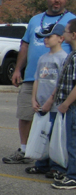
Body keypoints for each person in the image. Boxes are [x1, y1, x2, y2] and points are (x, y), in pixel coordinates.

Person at [3, 0, 75, 164]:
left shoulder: (71, 21)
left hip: (57, 81)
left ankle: (53, 157)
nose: (57, 0)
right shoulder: (35, 20)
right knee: (26, 114)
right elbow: (25, 44)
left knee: (54, 118)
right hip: (32, 78)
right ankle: (25, 150)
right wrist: (18, 69)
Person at [24, 23, 69, 177]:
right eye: (44, 37)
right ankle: (41, 163)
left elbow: (61, 82)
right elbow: (37, 79)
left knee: (55, 137)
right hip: (41, 104)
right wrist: (33, 98)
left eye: (49, 36)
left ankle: (57, 166)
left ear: (61, 38)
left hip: (55, 105)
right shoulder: (43, 58)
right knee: (41, 134)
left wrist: (51, 100)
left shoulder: (63, 58)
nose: (45, 40)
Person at [45, 19, 76, 189]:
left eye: (66, 31)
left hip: (72, 106)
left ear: (73, 35)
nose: (63, 35)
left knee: (73, 142)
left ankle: (73, 176)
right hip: (69, 105)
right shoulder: (71, 54)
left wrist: (66, 103)